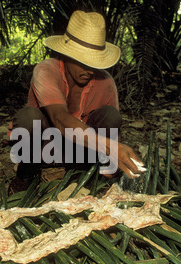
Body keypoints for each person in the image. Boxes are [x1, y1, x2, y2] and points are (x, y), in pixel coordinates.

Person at [8, 10, 144, 192]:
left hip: (80, 153)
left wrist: (111, 162)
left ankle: (81, 178)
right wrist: (110, 147)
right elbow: (60, 119)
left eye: (93, 62)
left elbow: (111, 130)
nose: (89, 69)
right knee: (28, 118)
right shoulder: (46, 70)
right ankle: (26, 177)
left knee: (110, 115)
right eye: (82, 61)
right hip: (43, 150)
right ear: (67, 55)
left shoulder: (106, 83)